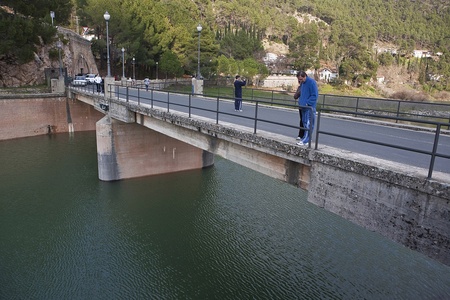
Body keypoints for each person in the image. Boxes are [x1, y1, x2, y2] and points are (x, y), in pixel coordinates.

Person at [296, 71, 318, 146]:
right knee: (304, 123)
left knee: (309, 123)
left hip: (309, 107)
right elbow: (302, 94)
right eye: (299, 80)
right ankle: (306, 138)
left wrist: (308, 103)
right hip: (303, 107)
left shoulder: (312, 82)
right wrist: (301, 102)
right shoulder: (302, 83)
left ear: (305, 76)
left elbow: (314, 95)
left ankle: (306, 140)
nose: (300, 81)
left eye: (301, 79)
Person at [294, 74, 304, 140]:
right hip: (301, 106)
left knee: (305, 121)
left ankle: (304, 135)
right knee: (302, 121)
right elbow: (295, 96)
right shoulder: (300, 88)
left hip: (306, 107)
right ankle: (301, 135)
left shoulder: (304, 88)